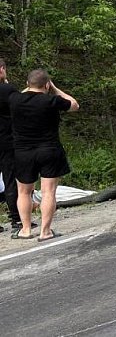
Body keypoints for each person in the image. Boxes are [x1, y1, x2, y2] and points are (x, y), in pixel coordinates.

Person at [10, 69, 80, 241]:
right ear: (47, 85)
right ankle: (45, 231)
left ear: (27, 84)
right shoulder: (51, 100)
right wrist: (54, 88)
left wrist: (30, 87)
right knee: (48, 191)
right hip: (49, 149)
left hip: (23, 152)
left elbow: (25, 92)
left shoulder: (14, 100)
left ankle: (25, 229)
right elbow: (74, 105)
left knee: (23, 192)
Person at [0, 59, 19, 232]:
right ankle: (16, 219)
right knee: (10, 179)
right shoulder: (7, 90)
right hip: (6, 140)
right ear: (2, 69)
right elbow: (20, 107)